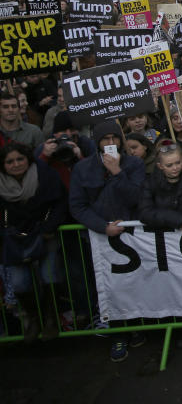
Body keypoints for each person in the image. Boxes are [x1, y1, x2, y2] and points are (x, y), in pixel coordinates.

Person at [69, 121, 146, 361]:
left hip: (130, 238)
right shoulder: (83, 169)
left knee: (131, 284)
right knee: (107, 288)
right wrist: (102, 227)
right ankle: (117, 335)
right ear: (97, 142)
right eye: (105, 139)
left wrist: (117, 173)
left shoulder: (133, 164)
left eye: (115, 138)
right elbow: (78, 206)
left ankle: (133, 326)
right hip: (99, 239)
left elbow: (137, 198)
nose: (110, 143)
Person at [0, 143, 67, 343]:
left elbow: (61, 202)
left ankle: (50, 318)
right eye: (10, 161)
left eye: (20, 159)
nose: (16, 164)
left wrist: (49, 227)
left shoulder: (45, 175)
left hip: (44, 234)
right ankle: (33, 316)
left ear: (28, 159)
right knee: (19, 283)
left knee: (50, 276)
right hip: (13, 240)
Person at [138, 140, 182, 230]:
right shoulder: (150, 183)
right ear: (160, 166)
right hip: (163, 233)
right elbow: (145, 213)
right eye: (169, 165)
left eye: (178, 163)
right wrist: (175, 219)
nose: (175, 168)